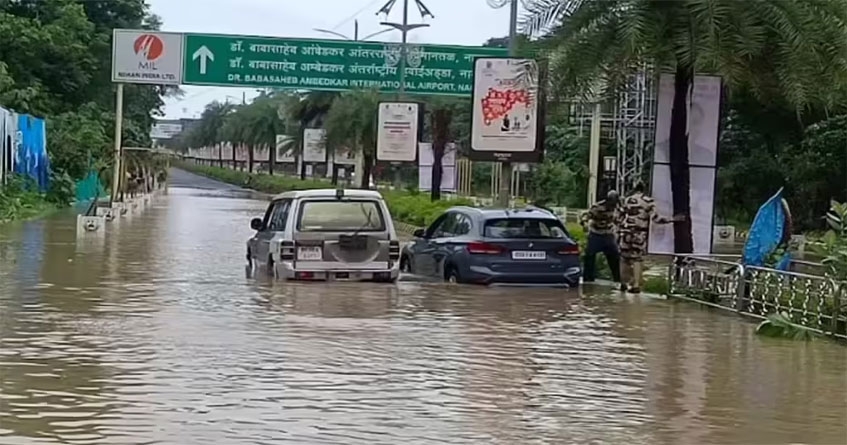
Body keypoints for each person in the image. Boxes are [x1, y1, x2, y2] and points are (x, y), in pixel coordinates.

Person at [618, 181, 682, 293]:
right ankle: (636, 285)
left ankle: (623, 284)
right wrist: (673, 220)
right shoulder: (648, 201)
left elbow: (618, 217)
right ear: (645, 189)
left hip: (625, 232)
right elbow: (656, 218)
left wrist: (620, 230)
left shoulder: (626, 200)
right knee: (637, 259)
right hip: (639, 234)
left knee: (624, 258)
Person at [580, 190, 621, 282]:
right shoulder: (598, 207)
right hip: (596, 234)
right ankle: (588, 278)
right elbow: (585, 216)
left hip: (608, 234)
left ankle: (618, 279)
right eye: (612, 203)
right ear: (608, 200)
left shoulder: (617, 207)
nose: (612, 206)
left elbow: (618, 220)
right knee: (590, 255)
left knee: (615, 257)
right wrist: (585, 223)